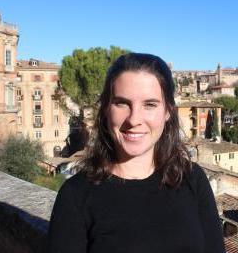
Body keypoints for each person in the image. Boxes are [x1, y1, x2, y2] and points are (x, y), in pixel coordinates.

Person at [47, 53, 225, 253]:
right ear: (106, 109)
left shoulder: (193, 179)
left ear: (168, 111)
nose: (134, 119)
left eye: (150, 104)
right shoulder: (76, 196)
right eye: (122, 103)